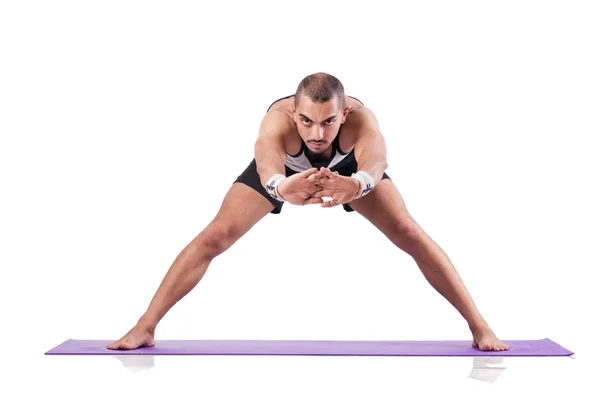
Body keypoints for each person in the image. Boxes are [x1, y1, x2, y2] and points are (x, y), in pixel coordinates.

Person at [107, 72, 510, 352]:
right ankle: (145, 327)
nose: (317, 134)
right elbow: (266, 161)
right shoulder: (276, 122)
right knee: (215, 235)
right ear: (292, 113)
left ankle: (480, 326)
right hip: (284, 175)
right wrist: (282, 188)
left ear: (345, 113)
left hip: (351, 174)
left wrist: (357, 184)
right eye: (307, 121)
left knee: (410, 233)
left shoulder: (362, 120)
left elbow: (377, 160)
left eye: (329, 122)